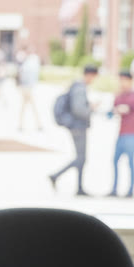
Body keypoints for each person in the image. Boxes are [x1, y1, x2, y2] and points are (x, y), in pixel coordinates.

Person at [49, 64, 99, 197]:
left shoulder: (76, 86)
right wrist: (91, 108)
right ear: (90, 75)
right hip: (78, 126)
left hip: (76, 126)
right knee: (81, 158)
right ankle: (57, 176)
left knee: (81, 158)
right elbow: (79, 109)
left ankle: (78, 186)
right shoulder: (80, 88)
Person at [108, 71, 134, 198]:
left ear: (130, 81)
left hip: (133, 132)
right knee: (115, 160)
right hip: (122, 132)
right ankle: (114, 189)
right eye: (120, 80)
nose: (122, 83)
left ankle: (130, 190)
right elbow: (111, 113)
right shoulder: (119, 96)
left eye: (124, 80)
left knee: (130, 161)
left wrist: (124, 108)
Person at [16, 46, 42, 131]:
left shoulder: (29, 61)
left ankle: (22, 124)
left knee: (25, 106)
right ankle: (38, 124)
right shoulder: (29, 61)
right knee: (31, 106)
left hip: (26, 86)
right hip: (26, 87)